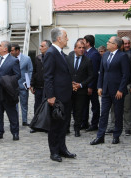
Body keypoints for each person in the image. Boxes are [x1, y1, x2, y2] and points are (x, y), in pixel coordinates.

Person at [43, 27, 76, 162]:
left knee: (63, 125)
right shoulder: (51, 53)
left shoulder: (61, 53)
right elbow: (48, 76)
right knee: (55, 125)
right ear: (59, 38)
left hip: (66, 95)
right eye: (66, 36)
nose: (67, 39)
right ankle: (54, 151)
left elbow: (61, 74)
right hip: (56, 97)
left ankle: (62, 148)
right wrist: (50, 96)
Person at [90, 36, 130, 145]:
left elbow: (125, 75)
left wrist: (121, 89)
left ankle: (116, 135)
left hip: (117, 90)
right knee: (104, 113)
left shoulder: (123, 56)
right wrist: (100, 86)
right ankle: (100, 136)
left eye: (109, 42)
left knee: (117, 113)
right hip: (106, 89)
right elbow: (101, 72)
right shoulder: (105, 55)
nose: (107, 43)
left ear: (115, 45)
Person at [0, 41, 21, 141]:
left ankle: (15, 132)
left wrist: (7, 80)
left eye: (0, 46)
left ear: (5, 49)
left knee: (11, 113)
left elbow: (18, 75)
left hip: (7, 92)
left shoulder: (13, 60)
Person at [66, 40, 93, 137]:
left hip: (81, 90)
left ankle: (77, 129)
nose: (81, 50)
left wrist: (81, 84)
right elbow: (64, 73)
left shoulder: (88, 60)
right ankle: (66, 128)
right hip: (69, 89)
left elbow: (91, 76)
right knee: (67, 109)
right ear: (74, 49)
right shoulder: (68, 58)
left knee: (79, 110)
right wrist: (71, 84)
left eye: (83, 48)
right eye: (79, 48)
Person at [30, 40, 51, 133]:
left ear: (48, 47)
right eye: (40, 46)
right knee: (37, 106)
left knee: (47, 107)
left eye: (42, 46)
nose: (40, 48)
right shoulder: (37, 58)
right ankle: (36, 125)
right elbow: (34, 71)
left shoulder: (51, 58)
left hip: (47, 87)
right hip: (38, 86)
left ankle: (46, 125)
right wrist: (32, 84)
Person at [10, 43, 33, 126]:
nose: (11, 52)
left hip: (23, 84)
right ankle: (15, 120)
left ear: (17, 50)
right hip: (13, 85)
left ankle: (24, 120)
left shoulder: (27, 59)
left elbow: (30, 71)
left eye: (12, 50)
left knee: (24, 103)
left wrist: (29, 83)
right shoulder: (9, 59)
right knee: (14, 104)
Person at [82, 35, 101, 132]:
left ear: (88, 43)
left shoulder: (94, 54)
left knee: (94, 105)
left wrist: (90, 86)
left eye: (84, 41)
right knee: (85, 105)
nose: (82, 43)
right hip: (85, 84)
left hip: (92, 86)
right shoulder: (86, 53)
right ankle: (84, 122)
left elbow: (93, 72)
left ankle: (94, 124)